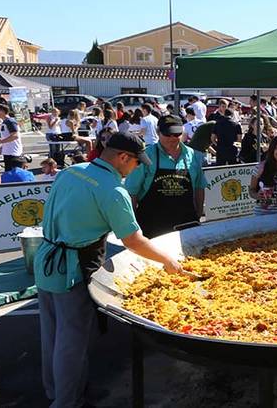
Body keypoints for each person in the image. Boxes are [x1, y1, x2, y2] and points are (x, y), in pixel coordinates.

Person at [35, 132, 185, 407]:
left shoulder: (72, 171)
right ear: (123, 157)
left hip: (45, 258)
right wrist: (168, 260)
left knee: (51, 333)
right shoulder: (113, 190)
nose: (137, 168)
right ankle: (67, 402)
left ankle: (55, 391)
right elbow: (133, 240)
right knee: (72, 341)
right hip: (72, 268)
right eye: (137, 163)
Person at [125, 115, 207, 237]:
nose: (172, 138)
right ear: (158, 132)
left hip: (186, 223)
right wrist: (133, 224)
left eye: (176, 134)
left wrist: (198, 213)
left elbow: (199, 187)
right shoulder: (146, 156)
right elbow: (131, 192)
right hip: (152, 224)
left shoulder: (192, 155)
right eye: (167, 134)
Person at [0, 104, 23, 172]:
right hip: (8, 152)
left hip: (13, 153)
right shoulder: (5, 122)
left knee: (13, 175)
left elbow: (15, 136)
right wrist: (1, 149)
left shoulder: (10, 121)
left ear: (2, 111)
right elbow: (7, 137)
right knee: (9, 174)